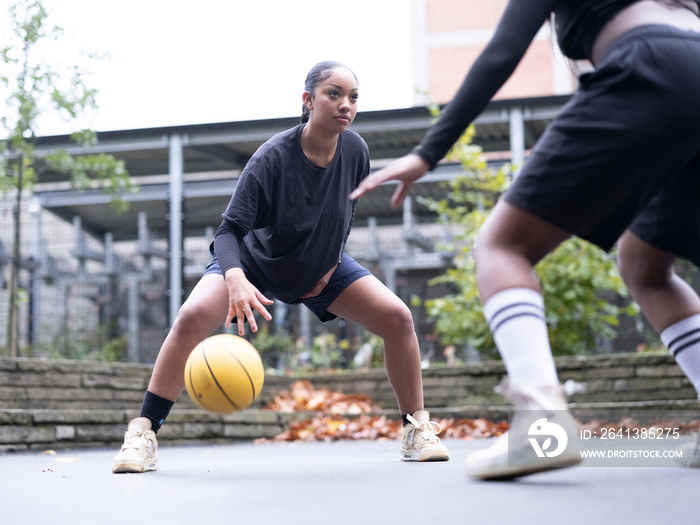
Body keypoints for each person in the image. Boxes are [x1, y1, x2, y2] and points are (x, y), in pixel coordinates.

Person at [351, 1, 700, 479]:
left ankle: (543, 426)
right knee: (645, 263)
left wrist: (429, 152)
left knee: (502, 245)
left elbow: (503, 52)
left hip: (651, 65)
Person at [111, 61, 450, 474]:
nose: (345, 104)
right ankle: (143, 431)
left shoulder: (356, 151)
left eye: (353, 97)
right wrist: (234, 277)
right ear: (307, 100)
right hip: (251, 264)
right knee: (191, 316)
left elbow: (344, 214)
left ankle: (415, 430)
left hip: (320, 266)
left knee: (398, 318)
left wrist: (327, 264)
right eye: (334, 93)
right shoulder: (271, 159)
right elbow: (228, 231)